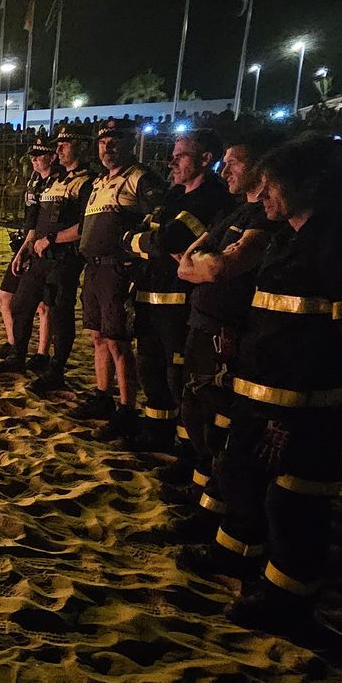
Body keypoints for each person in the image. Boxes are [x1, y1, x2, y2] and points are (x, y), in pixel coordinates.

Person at [183, 133, 342, 632]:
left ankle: (288, 597)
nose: (261, 193)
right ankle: (235, 554)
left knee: (295, 501)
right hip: (260, 400)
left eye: (272, 183)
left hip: (306, 412)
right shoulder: (291, 240)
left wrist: (341, 402)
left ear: (311, 185)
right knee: (240, 476)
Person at [174, 137, 275, 520]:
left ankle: (216, 503)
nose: (224, 169)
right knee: (195, 411)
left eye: (235, 162)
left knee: (219, 420)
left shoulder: (262, 219)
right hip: (202, 323)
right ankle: (201, 490)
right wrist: (201, 263)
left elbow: (219, 268)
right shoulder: (234, 213)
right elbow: (186, 264)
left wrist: (204, 263)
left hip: (227, 332)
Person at [125, 128, 236, 455]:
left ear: (205, 159)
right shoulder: (173, 196)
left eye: (180, 156)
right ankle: (156, 433)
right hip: (150, 296)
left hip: (180, 304)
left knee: (179, 379)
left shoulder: (210, 199)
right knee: (150, 371)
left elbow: (166, 240)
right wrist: (144, 243)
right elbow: (139, 236)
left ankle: (188, 449)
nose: (171, 162)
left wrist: (141, 243)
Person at [71, 119, 167, 442]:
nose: (107, 147)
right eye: (102, 142)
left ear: (130, 144)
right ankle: (103, 396)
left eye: (115, 141)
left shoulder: (139, 178)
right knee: (98, 336)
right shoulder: (100, 182)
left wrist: (135, 251)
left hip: (118, 269)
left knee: (118, 340)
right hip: (94, 269)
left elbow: (160, 219)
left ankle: (126, 408)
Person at [0, 128, 94, 394]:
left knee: (60, 315)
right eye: (58, 144)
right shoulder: (54, 181)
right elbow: (38, 222)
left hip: (64, 259)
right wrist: (26, 249)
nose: (59, 149)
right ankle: (17, 357)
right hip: (40, 256)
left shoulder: (87, 182)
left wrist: (52, 239)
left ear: (81, 147)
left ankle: (55, 370)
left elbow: (86, 226)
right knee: (21, 304)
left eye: (65, 143)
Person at [0, 135, 56, 375]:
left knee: (44, 306)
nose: (34, 160)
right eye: (32, 156)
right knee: (5, 295)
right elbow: (31, 219)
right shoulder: (34, 180)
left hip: (46, 248)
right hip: (29, 243)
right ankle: (13, 343)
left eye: (39, 155)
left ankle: (41, 354)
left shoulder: (58, 183)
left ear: (52, 156)